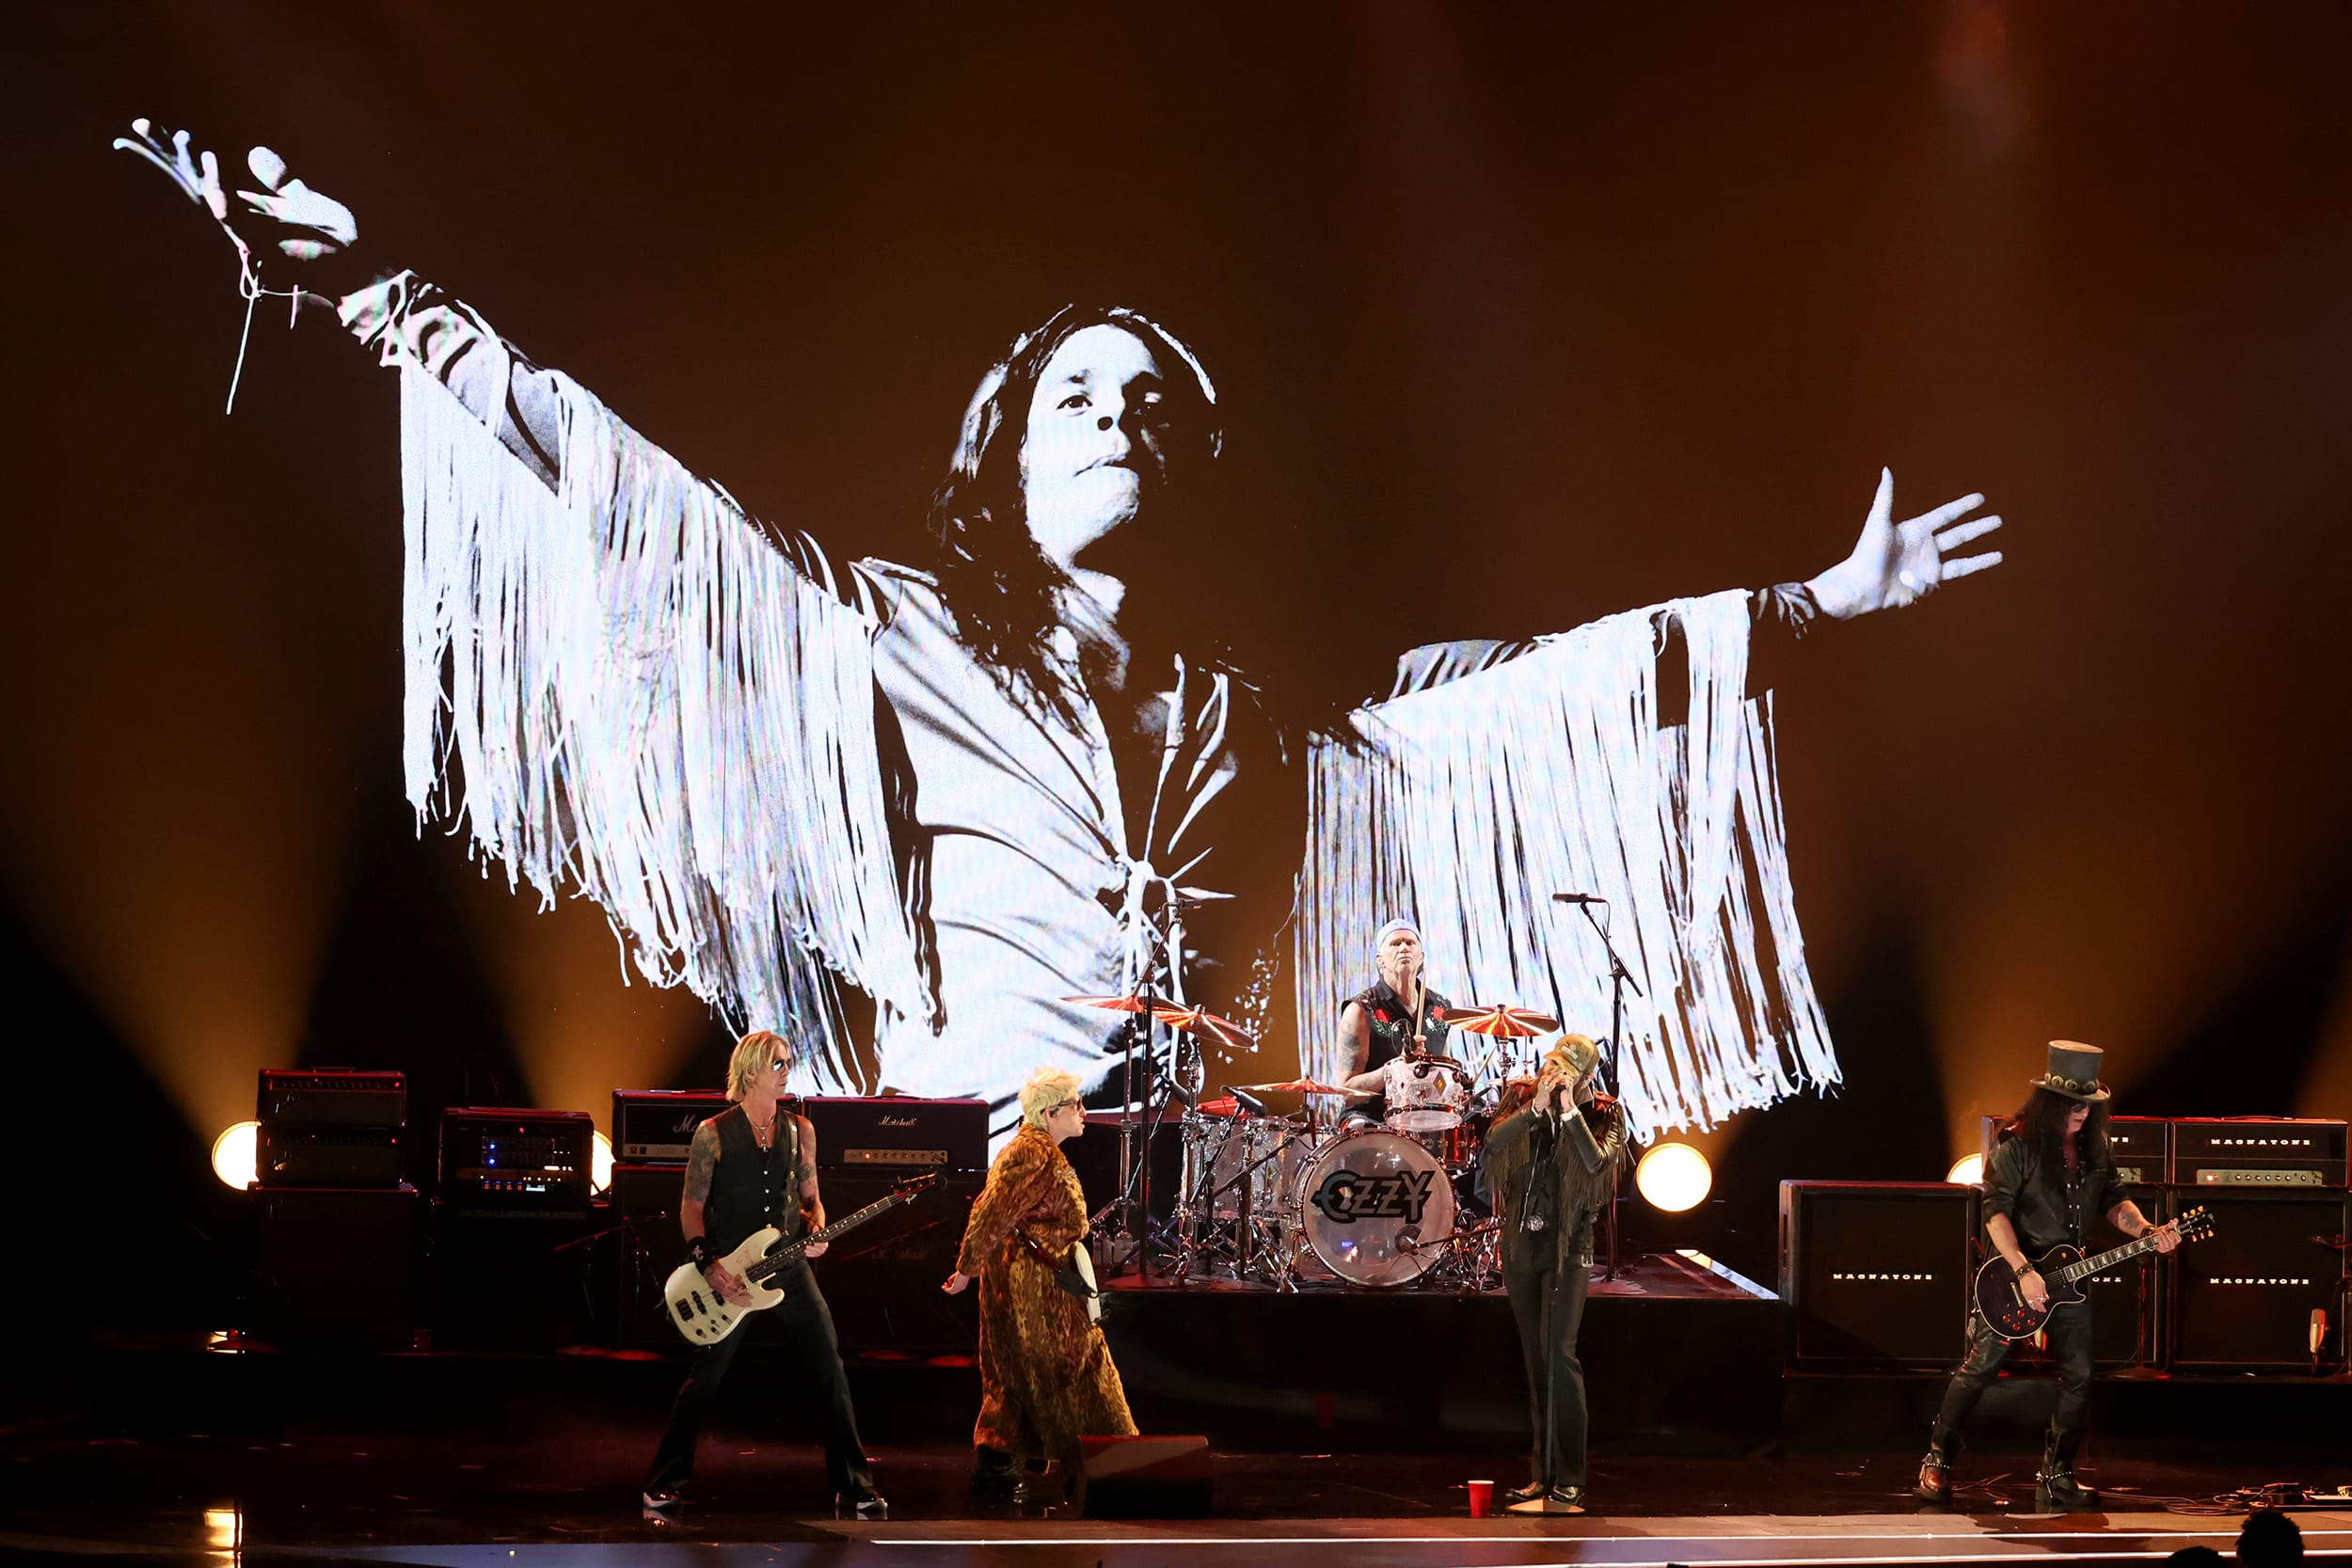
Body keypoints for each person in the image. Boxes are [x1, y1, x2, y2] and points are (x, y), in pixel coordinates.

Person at [115, 120, 2009, 1150]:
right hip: (948, 1157)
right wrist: (373, 287)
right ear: (1000, 464)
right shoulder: (893, 636)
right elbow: (632, 500)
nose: (1115, 422)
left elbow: (1504, 697)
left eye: (1153, 408)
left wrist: (1800, 605)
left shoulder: (1255, 721)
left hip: (1173, 1180)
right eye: (1074, 399)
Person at [1917, 1041, 2179, 1512]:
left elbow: (2114, 1200)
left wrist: (2145, 1229)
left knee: (2079, 1376)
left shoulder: (2094, 1145)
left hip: (2070, 1276)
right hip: (2012, 1275)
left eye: (2090, 1104)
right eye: (2074, 1104)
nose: (2082, 1112)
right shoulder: (2016, 1143)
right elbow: (1995, 1213)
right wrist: (2022, 1271)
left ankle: (2056, 1475)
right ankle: (1937, 1459)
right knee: (1979, 1369)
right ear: (2051, 1101)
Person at [644, 1031, 885, 1519]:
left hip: (789, 1267)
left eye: (789, 1062)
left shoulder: (801, 1131)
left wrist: (817, 1228)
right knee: (706, 1378)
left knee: (830, 1369)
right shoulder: (712, 1132)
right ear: (752, 1070)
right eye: (779, 1063)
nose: (787, 1070)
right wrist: (706, 1264)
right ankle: (662, 1483)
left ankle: (854, 1486)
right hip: (730, 1275)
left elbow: (812, 1198)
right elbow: (691, 1207)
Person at [944, 1066, 1137, 1503]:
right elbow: (990, 1212)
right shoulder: (1031, 1153)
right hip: (1034, 1288)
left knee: (1023, 1373)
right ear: (1050, 1113)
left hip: (1040, 1282)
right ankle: (1111, 1462)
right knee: (1070, 1368)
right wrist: (967, 1270)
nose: (1084, 1112)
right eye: (1076, 1105)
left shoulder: (1040, 1149)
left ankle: (1003, 1462)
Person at [1477, 1034, 1625, 1514]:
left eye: (1565, 1071)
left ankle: (1573, 1477)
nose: (1553, 1076)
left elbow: (1598, 1165)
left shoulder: (1605, 1112)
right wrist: (1536, 1110)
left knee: (1561, 1355)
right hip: (1522, 1245)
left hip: (1569, 1250)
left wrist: (1568, 1112)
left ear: (1584, 1077)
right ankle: (1540, 1475)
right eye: (1551, 1066)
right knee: (1534, 1359)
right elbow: (1492, 1149)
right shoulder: (1521, 1098)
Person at [1334, 918, 1459, 1127]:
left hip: (1422, 1117)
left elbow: (1442, 1069)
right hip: (1371, 1118)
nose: (1403, 948)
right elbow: (1348, 1092)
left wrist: (1455, 1088)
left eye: (1410, 943)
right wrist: (1397, 1067)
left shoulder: (1440, 1007)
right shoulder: (1361, 1009)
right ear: (1380, 959)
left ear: (1421, 957)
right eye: (1395, 943)